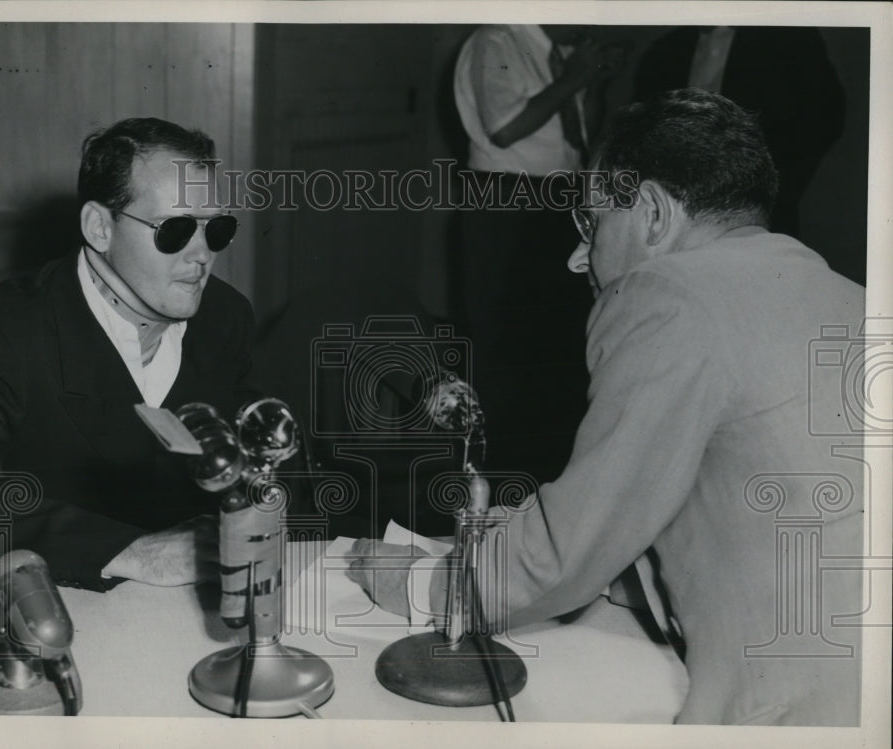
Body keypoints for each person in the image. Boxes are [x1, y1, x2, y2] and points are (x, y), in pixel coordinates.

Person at [348, 89, 863, 725]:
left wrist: (423, 586)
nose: (577, 256)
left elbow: (570, 555)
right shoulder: (841, 291)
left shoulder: (669, 294)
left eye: (590, 224)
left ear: (651, 213)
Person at [0, 117, 254, 591]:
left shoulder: (226, 317)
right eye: (176, 230)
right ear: (100, 227)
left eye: (217, 229)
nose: (203, 255)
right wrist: (129, 552)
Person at [453, 25, 625, 483]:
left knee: (554, 343)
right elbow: (505, 127)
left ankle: (547, 480)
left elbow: (581, 142)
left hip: (558, 196)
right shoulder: (496, 41)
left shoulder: (562, 51)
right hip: (506, 198)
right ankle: (497, 482)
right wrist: (572, 78)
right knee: (503, 343)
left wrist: (592, 83)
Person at [634, 26, 845, 239]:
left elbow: (824, 118)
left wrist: (774, 188)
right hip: (676, 215)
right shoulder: (664, 51)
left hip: (758, 213)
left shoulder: (790, 39)